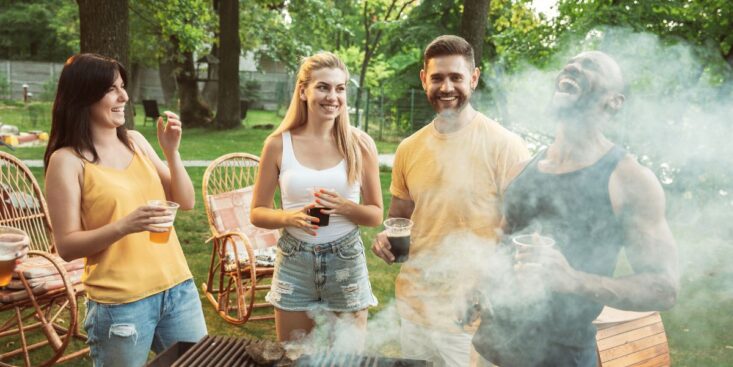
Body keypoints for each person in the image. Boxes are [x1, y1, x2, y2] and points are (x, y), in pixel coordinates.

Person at [472, 51, 680, 367]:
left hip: (561, 357)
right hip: (491, 349)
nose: (573, 66)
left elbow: (664, 288)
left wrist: (572, 280)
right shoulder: (521, 168)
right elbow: (500, 244)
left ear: (615, 101)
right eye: (571, 63)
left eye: (591, 65)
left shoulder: (628, 179)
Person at [371, 35, 529, 366]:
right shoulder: (409, 149)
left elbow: (522, 234)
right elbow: (401, 217)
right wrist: (386, 239)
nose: (446, 87)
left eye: (456, 77)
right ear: (423, 79)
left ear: (473, 78)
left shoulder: (506, 147)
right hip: (414, 309)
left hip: (470, 317)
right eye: (438, 77)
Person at [44, 54, 206, 367]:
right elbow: (66, 247)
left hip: (177, 288)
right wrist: (125, 225)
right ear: (84, 95)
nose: (125, 97)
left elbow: (185, 202)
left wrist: (172, 152)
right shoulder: (67, 161)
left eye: (123, 87)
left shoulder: (135, 141)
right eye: (112, 90)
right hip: (121, 304)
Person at [250, 52, 382, 348]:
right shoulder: (277, 144)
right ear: (303, 90)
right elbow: (257, 212)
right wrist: (290, 218)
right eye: (323, 87)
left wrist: (346, 207)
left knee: (347, 358)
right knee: (294, 355)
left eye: (340, 88)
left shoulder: (360, 145)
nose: (332, 96)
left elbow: (375, 214)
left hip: (345, 260)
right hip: (295, 262)